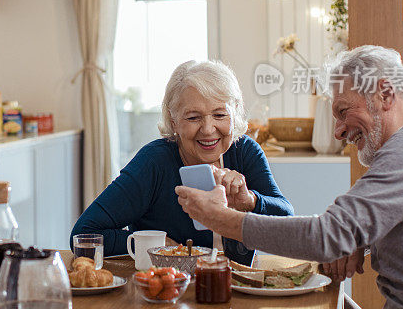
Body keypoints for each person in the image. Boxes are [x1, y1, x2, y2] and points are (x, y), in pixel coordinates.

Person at [176, 45, 403, 309]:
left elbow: (326, 234)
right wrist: (359, 239)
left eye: (343, 111)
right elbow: (352, 234)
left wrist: (218, 218)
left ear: (385, 94)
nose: (337, 131)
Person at [71, 60, 293, 266]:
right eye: (193, 117)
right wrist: (157, 246)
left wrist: (250, 201)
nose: (208, 129)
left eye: (219, 115)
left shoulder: (244, 151)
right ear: (173, 119)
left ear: (234, 113)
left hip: (236, 288)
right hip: (168, 292)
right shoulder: (153, 162)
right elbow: (84, 234)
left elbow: (288, 224)